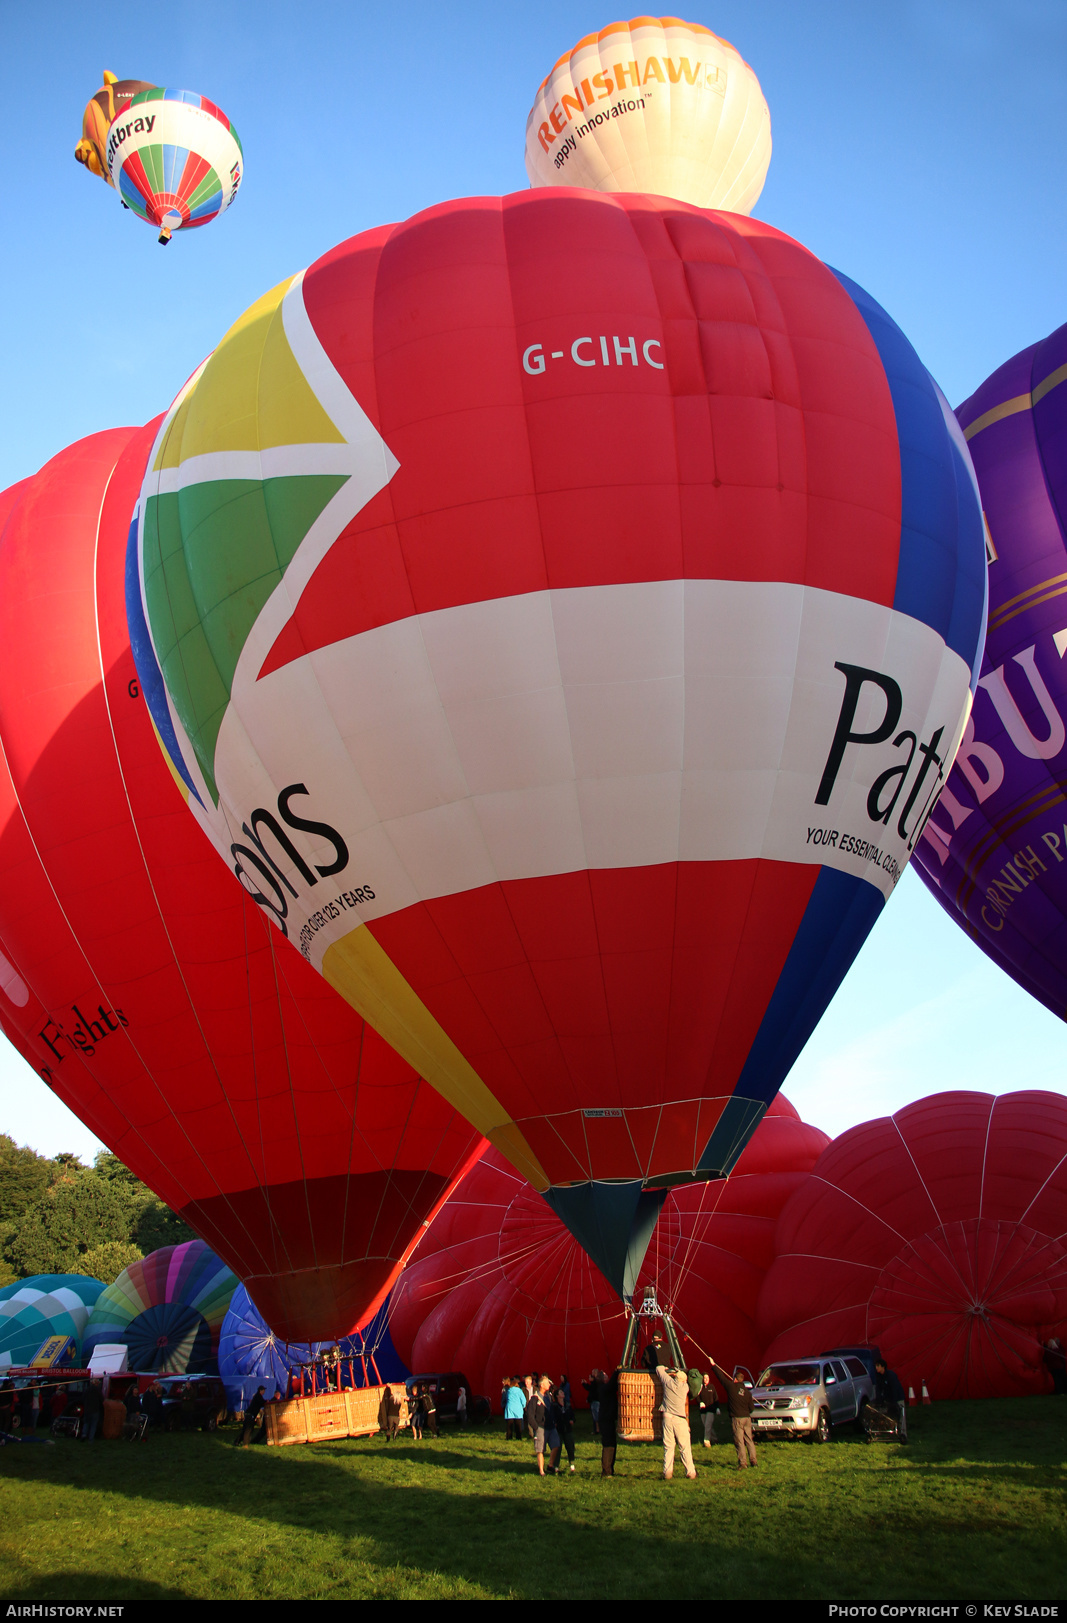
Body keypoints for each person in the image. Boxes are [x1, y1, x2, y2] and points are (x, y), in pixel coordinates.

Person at [710, 1359, 757, 1469]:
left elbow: (721, 1378)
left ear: (735, 1379)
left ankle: (743, 1463)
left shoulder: (731, 1387)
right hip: (747, 1418)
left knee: (739, 1441)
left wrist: (713, 1365)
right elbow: (752, 1408)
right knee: (749, 1440)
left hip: (737, 1418)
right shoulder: (747, 1392)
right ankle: (753, 1461)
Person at [656, 1364, 697, 1481]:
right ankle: (690, 1472)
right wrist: (678, 1372)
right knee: (684, 1447)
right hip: (680, 1419)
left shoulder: (668, 1383)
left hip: (667, 1417)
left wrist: (667, 1369)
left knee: (668, 1446)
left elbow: (658, 1369)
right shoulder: (685, 1388)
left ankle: (667, 1472)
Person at [873, 1360, 908, 1442]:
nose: (876, 1368)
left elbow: (894, 1389)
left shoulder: (891, 1375)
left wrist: (894, 1402)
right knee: (889, 1415)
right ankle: (890, 1432)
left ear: (883, 1366)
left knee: (901, 1416)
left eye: (878, 1366)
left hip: (897, 1398)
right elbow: (879, 1389)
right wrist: (879, 1400)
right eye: (876, 1366)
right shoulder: (878, 1376)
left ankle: (903, 1434)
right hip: (888, 1399)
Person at [594, 1368, 620, 1477]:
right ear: (603, 1379)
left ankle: (610, 1469)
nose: (607, 1377)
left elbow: (613, 1386)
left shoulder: (606, 1388)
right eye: (605, 1375)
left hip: (609, 1419)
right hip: (605, 1420)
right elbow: (611, 1385)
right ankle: (606, 1470)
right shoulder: (602, 1388)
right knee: (608, 1444)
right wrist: (616, 1371)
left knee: (612, 1444)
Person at [526, 1376, 551, 1476]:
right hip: (540, 1427)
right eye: (547, 1383)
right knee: (540, 1449)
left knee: (556, 1445)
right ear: (542, 1385)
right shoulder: (535, 1399)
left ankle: (552, 1466)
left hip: (549, 1426)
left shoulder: (548, 1397)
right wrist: (536, 1427)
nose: (549, 1385)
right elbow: (530, 1414)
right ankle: (541, 1470)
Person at [698, 1373, 719, 1447]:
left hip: (711, 1409)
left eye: (707, 1378)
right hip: (703, 1410)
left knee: (707, 1425)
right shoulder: (700, 1387)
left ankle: (706, 1442)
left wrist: (717, 1408)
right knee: (707, 1426)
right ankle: (714, 1438)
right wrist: (700, 1402)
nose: (706, 1379)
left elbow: (715, 1398)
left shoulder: (711, 1387)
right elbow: (697, 1396)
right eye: (704, 1378)